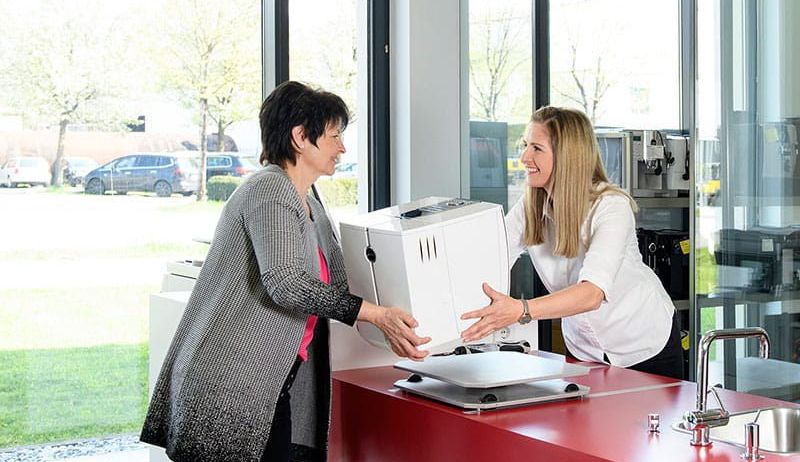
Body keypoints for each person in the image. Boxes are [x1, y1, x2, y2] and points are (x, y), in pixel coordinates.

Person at [140, 81, 431, 462]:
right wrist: (377, 315)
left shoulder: (311, 202)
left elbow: (336, 286)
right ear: (299, 137)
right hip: (231, 384)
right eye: (334, 136)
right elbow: (286, 282)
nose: (342, 147)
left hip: (273, 384)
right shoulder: (270, 189)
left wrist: (388, 324)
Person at [460, 106, 683, 380]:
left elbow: (592, 293)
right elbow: (489, 260)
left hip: (644, 344)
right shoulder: (530, 205)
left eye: (536, 149)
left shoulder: (611, 206)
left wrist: (521, 310)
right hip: (586, 351)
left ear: (567, 157)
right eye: (525, 145)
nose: (524, 158)